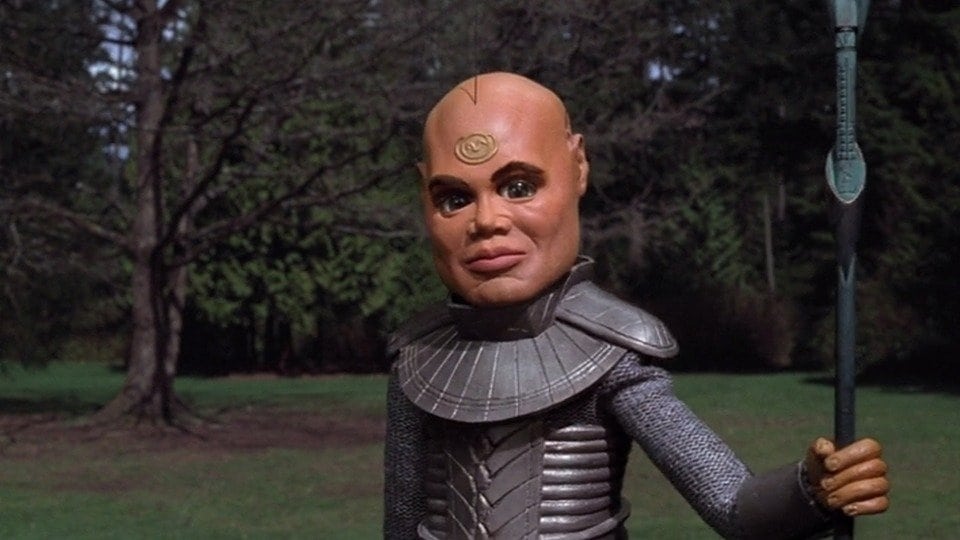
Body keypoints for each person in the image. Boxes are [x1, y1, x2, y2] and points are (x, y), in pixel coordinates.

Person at [383, 72, 889, 539]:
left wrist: (811, 490)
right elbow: (401, 527)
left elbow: (733, 505)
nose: (487, 220)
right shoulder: (418, 361)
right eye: (454, 198)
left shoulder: (611, 352)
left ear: (577, 167)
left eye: (519, 187)